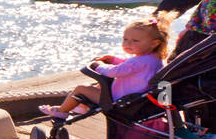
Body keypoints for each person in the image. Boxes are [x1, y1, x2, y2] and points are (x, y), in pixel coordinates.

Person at [38, 17, 171, 118]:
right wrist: (114, 60)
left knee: (81, 89)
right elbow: (129, 66)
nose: (128, 43)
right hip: (136, 99)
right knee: (99, 85)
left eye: (135, 41)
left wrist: (98, 66)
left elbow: (114, 72)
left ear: (154, 43)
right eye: (125, 39)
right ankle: (81, 106)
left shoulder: (138, 62)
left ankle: (61, 112)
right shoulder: (154, 58)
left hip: (119, 100)